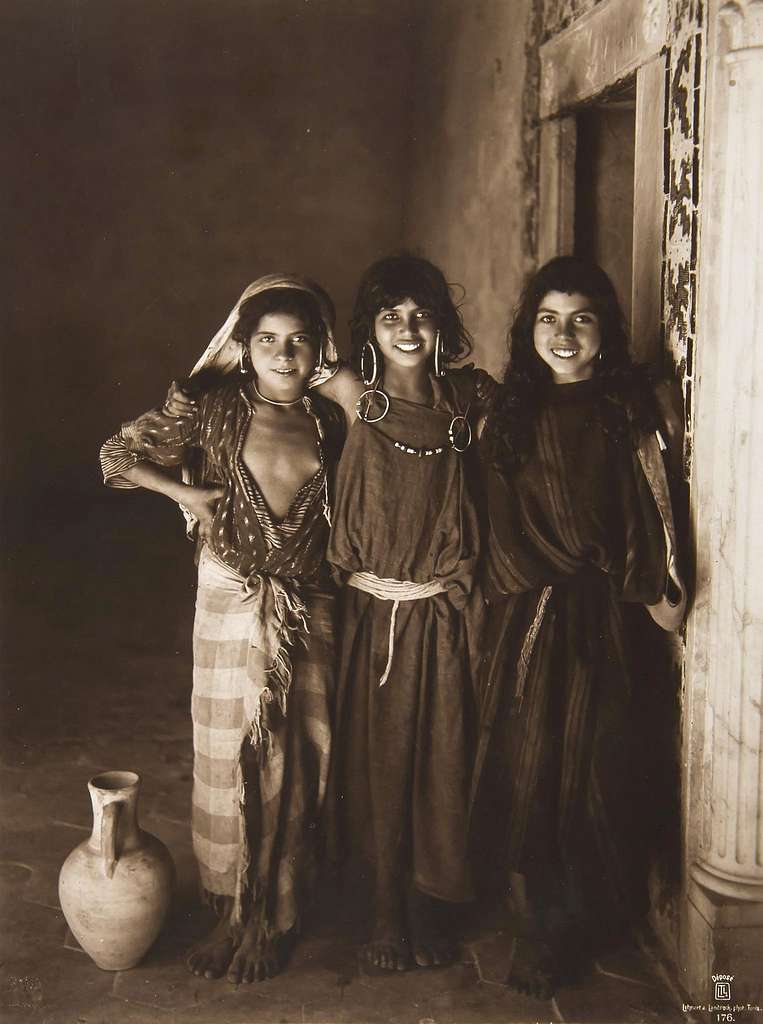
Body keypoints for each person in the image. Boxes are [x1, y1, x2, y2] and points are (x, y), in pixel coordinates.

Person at [167, 254, 495, 971]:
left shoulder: (445, 401)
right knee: (298, 758)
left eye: (420, 314)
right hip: (346, 606)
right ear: (365, 330)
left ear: (442, 321)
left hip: (417, 609)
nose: (406, 329)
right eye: (389, 316)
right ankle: (278, 910)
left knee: (416, 757)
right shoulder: (347, 395)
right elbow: (265, 361)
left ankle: (397, 906)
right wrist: (188, 497)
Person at [99, 276, 344, 984]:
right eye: (267, 338)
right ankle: (233, 912)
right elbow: (116, 459)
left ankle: (277, 916)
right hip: (231, 601)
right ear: (243, 346)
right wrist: (185, 492)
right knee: (229, 755)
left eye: (299, 340)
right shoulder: (209, 409)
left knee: (300, 758)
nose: (283, 353)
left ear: (319, 348)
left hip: (309, 606)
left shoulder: (333, 421)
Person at [475, 256, 686, 997]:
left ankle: (592, 912)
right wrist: (524, 581)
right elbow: (496, 524)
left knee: (599, 761)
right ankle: (540, 924)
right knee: (531, 764)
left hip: (607, 617)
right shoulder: (509, 415)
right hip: (530, 616)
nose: (563, 336)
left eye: (581, 319)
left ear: (605, 329)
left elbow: (653, 506)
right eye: (547, 320)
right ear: (529, 329)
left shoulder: (628, 409)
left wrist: (653, 589)